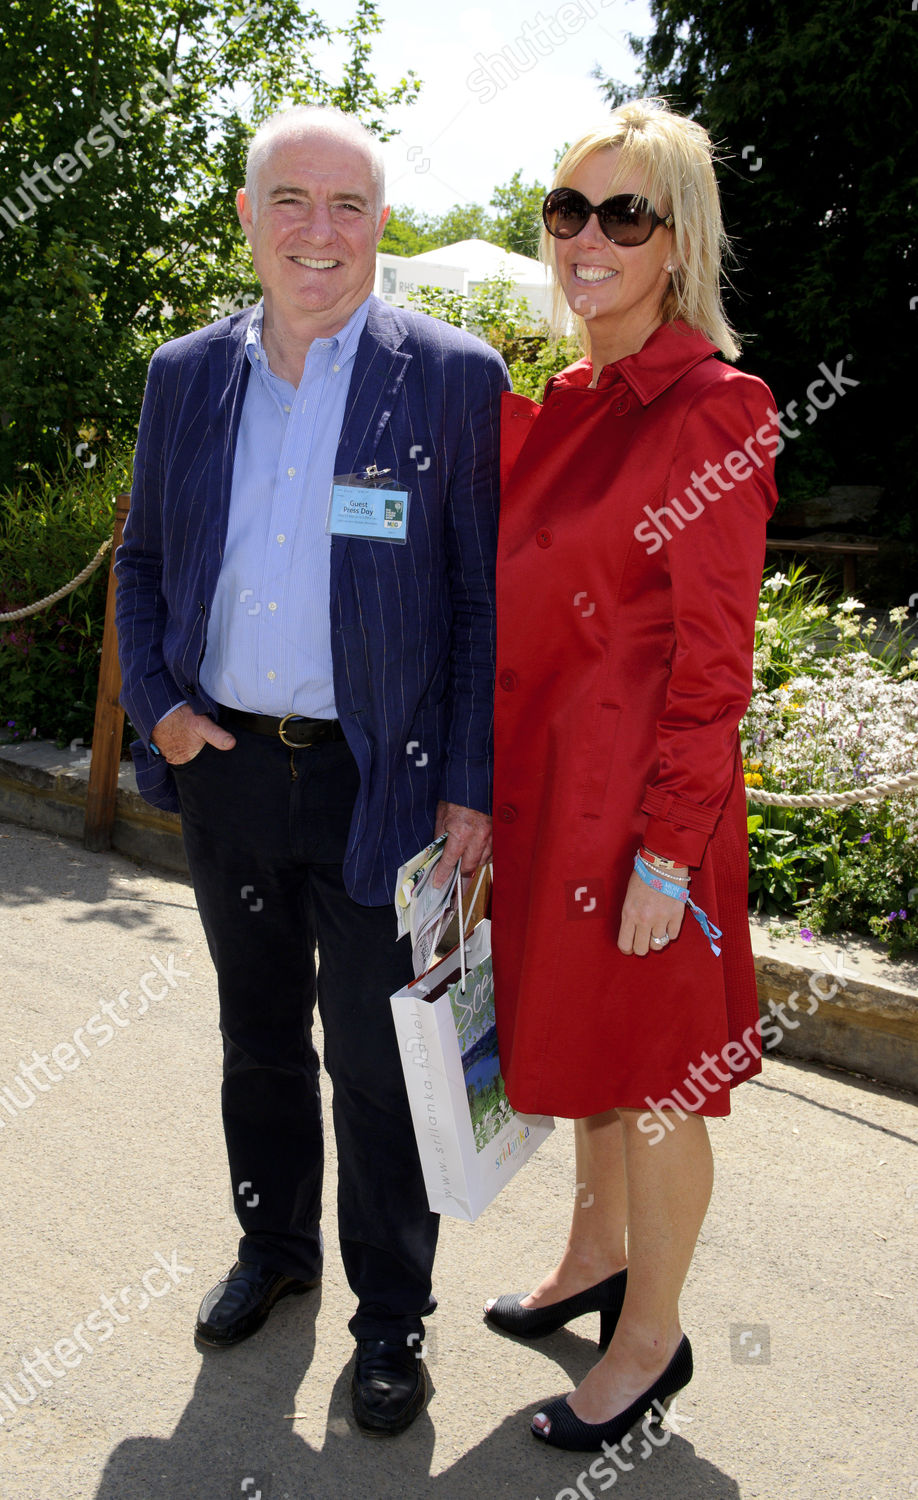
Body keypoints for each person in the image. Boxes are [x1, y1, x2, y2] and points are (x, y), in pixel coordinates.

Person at [115, 105, 507, 1436]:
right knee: (256, 1040)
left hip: (375, 785)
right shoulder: (185, 374)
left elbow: (479, 603)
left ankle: (390, 1317)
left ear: (379, 224)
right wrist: (159, 708)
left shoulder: (453, 377)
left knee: (382, 1064)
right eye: (291, 201)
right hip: (224, 766)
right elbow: (145, 561)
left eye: (347, 206)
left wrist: (468, 785)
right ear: (246, 217)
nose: (319, 234)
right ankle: (272, 1251)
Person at [485, 98, 779, 1451]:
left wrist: (666, 850)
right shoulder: (562, 405)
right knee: (591, 1057)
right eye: (566, 210)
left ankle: (650, 1343)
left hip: (649, 814)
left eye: (624, 214)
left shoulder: (714, 410)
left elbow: (715, 665)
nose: (586, 238)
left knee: (653, 1079)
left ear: (675, 242)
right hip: (550, 803)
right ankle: (593, 1253)